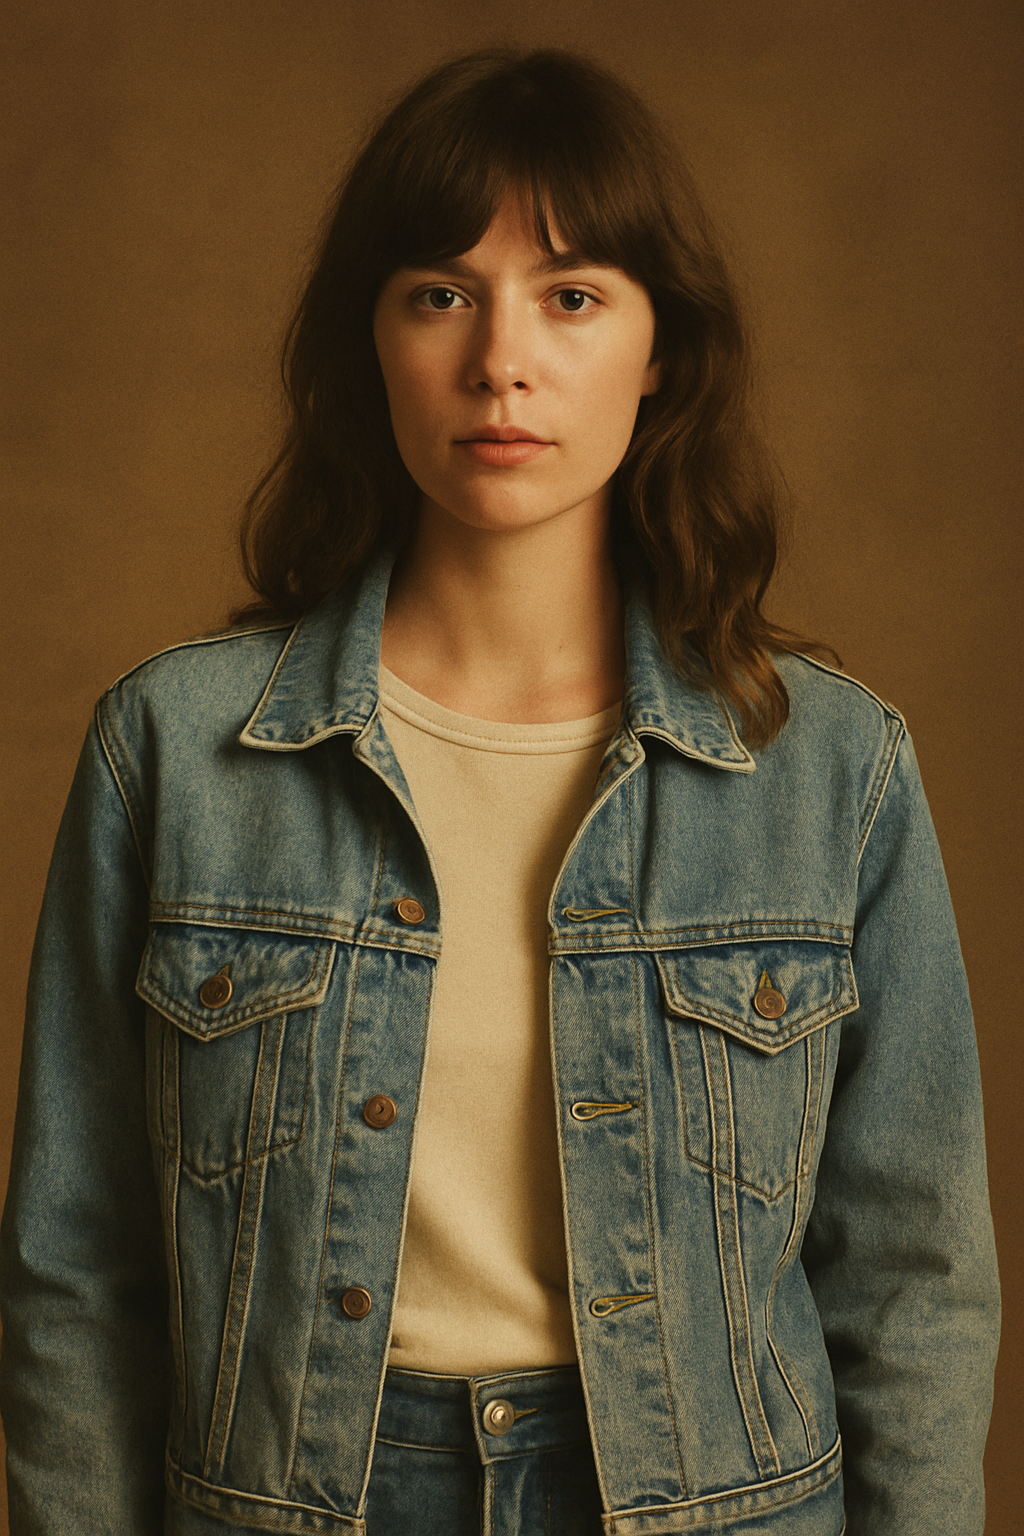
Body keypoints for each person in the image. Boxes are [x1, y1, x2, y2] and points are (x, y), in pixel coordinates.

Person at [0, 46, 999, 1536]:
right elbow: (76, 1270)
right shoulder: (176, 747)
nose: (501, 363)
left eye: (572, 295)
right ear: (372, 338)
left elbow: (916, 1280)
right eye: (440, 294)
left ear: (660, 349)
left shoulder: (829, 768)